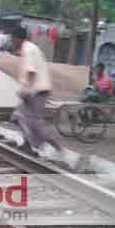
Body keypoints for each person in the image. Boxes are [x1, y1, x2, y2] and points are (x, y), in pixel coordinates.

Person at [10, 26, 67, 160]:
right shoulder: (29, 47)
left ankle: (58, 147)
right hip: (35, 90)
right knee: (20, 117)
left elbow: (31, 71)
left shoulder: (28, 49)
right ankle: (27, 144)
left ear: (17, 39)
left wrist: (26, 88)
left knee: (34, 122)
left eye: (13, 39)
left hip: (36, 91)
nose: (12, 42)